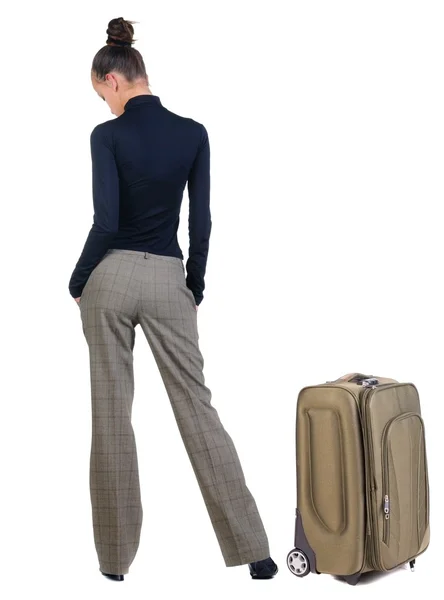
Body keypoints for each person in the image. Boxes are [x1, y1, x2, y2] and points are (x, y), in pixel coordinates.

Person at [68, 17, 278, 582]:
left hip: (108, 281)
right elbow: (201, 222)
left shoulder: (106, 136)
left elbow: (106, 221)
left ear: (112, 80)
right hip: (168, 278)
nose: (104, 107)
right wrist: (195, 286)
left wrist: (77, 279)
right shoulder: (193, 133)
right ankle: (255, 552)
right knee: (198, 410)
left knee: (110, 418)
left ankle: (114, 565)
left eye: (100, 94)